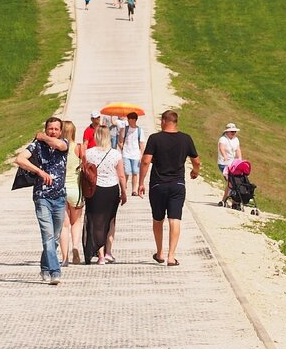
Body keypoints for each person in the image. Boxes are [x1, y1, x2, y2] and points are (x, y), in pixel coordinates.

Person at [138, 109, 199, 266]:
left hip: (158, 184)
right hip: (178, 184)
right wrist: (195, 171)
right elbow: (196, 161)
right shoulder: (186, 139)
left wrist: (141, 182)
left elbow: (145, 161)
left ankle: (160, 253)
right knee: (175, 218)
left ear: (164, 121)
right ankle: (172, 257)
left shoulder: (155, 138)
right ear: (176, 122)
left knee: (158, 219)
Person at [13, 117, 70, 285]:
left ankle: (45, 266)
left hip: (59, 197)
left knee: (56, 237)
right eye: (49, 129)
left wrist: (43, 137)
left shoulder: (63, 143)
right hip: (42, 196)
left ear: (60, 131)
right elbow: (19, 159)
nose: (52, 131)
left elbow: (60, 145)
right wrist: (38, 171)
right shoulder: (37, 146)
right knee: (48, 235)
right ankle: (55, 271)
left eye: (55, 129)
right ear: (46, 129)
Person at [83, 124, 128, 264]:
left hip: (95, 190)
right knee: (110, 220)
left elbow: (85, 173)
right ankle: (108, 251)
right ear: (109, 137)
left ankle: (100, 254)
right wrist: (124, 192)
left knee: (96, 220)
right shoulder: (115, 154)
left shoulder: (89, 153)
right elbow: (121, 176)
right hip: (111, 189)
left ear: (96, 136)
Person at [59, 121, 84, 267]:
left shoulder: (57, 148)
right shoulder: (79, 147)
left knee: (64, 225)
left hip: (61, 189)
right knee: (76, 222)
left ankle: (64, 257)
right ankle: (75, 248)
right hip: (76, 189)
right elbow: (85, 164)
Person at [217, 123, 242, 206]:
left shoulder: (236, 139)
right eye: (231, 131)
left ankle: (234, 201)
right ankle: (226, 200)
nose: (233, 133)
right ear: (227, 132)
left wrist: (240, 159)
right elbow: (222, 148)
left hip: (232, 164)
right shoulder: (223, 139)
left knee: (233, 182)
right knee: (231, 181)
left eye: (234, 131)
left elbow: (238, 150)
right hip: (223, 163)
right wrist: (224, 156)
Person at [121, 112, 145, 197]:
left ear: (134, 120)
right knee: (126, 172)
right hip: (126, 153)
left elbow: (141, 143)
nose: (128, 121)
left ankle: (134, 190)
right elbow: (120, 140)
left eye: (129, 119)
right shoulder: (125, 129)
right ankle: (124, 188)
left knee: (135, 172)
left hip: (135, 154)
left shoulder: (139, 130)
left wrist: (142, 155)